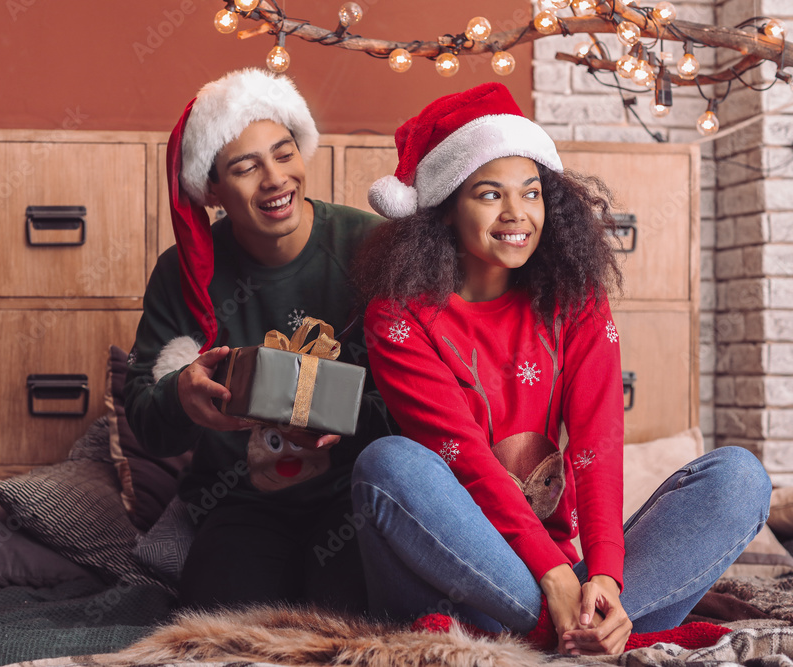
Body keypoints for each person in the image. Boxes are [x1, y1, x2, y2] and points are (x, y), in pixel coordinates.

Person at [350, 82, 771, 656]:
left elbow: (598, 444)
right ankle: (589, 632)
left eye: (531, 192)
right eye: (489, 195)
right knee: (387, 464)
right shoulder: (399, 316)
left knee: (739, 478)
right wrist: (555, 579)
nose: (517, 214)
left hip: (562, 577)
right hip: (453, 580)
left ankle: (586, 626)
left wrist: (604, 577)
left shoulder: (574, 298)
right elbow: (465, 459)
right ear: (446, 209)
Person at [121, 68, 393, 612]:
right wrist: (182, 398)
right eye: (246, 167)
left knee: (353, 620)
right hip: (241, 501)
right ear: (213, 189)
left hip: (354, 496)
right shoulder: (183, 273)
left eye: (284, 153)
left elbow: (426, 396)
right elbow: (144, 418)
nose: (274, 178)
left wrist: (347, 418)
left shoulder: (373, 249)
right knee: (222, 625)